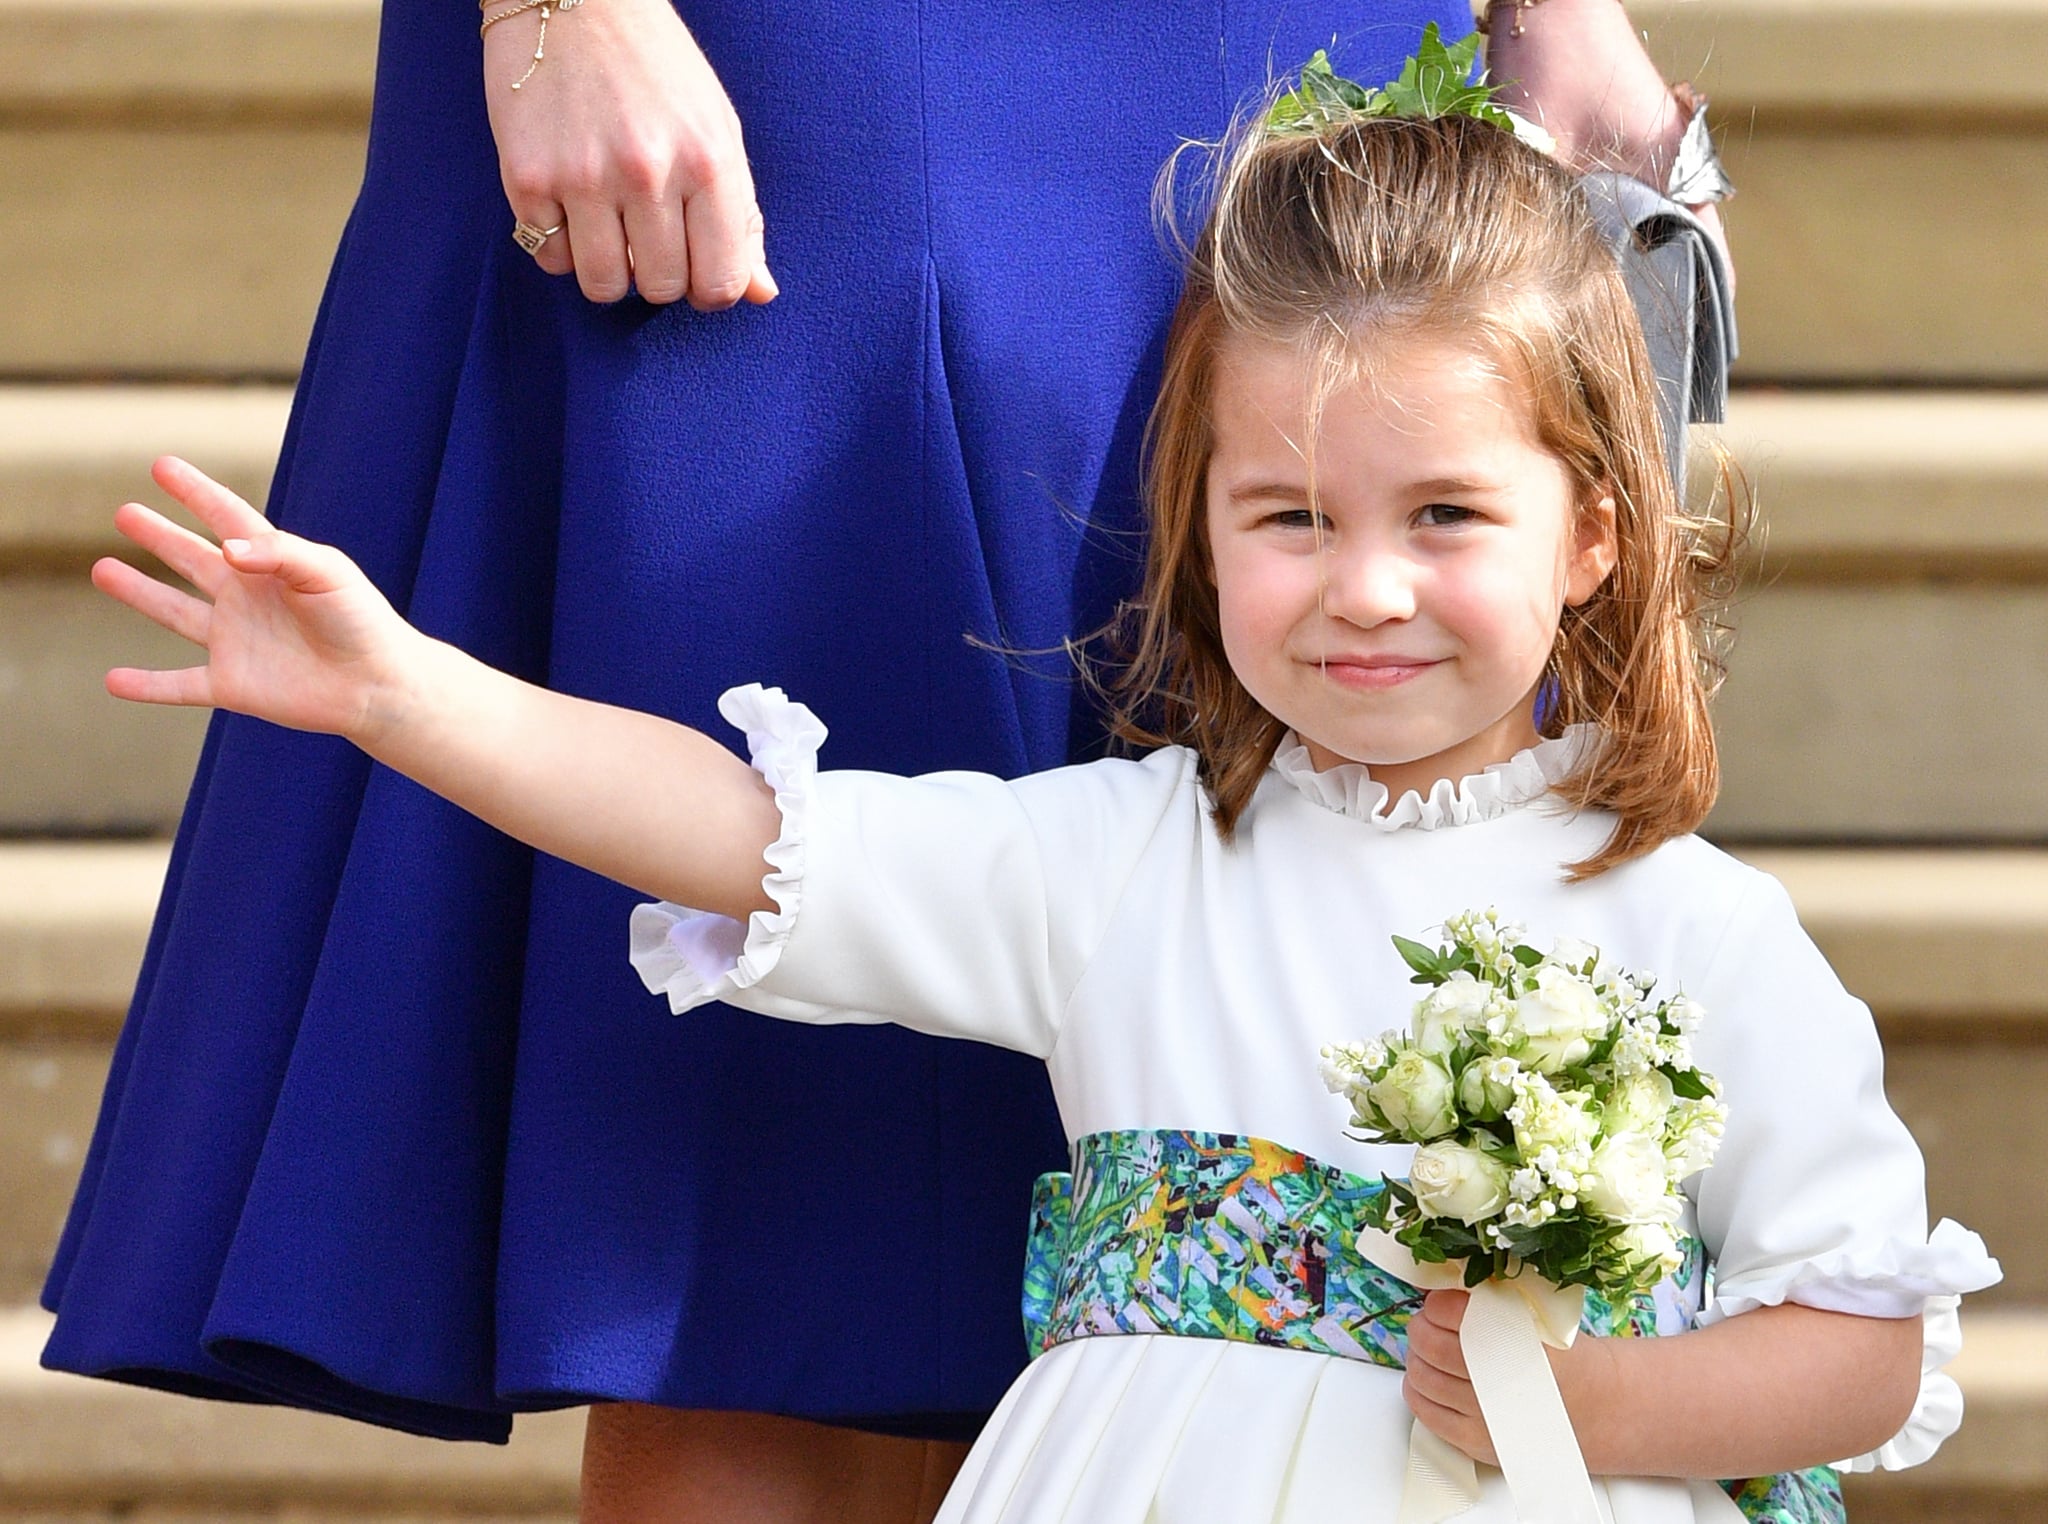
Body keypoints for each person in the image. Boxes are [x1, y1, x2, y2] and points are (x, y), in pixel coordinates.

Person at [88, 83, 1994, 1523]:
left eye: (1446, 517)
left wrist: (1595, 1405)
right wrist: (396, 686)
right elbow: (741, 835)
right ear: (1202, 528)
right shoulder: (1134, 859)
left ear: (1590, 531)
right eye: (1289, 519)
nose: (1366, 587)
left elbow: (1867, 1336)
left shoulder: (1689, 926)